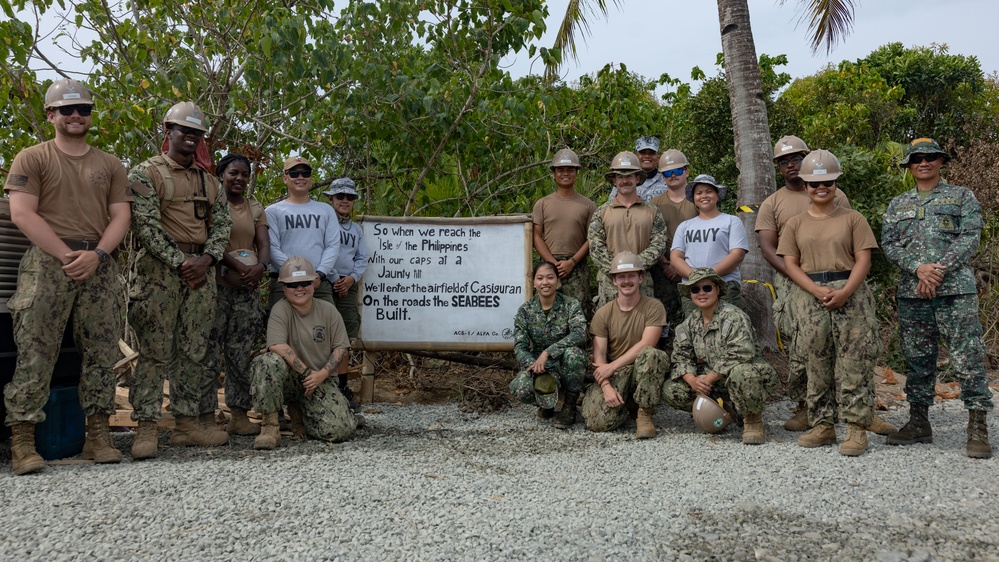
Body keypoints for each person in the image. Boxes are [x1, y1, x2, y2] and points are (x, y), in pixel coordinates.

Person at [2, 78, 132, 475]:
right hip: (47, 261)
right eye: (68, 110)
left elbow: (121, 216)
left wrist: (96, 255)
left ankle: (97, 435)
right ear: (51, 114)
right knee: (36, 350)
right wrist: (65, 255)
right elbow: (22, 213)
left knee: (100, 351)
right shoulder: (32, 158)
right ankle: (23, 440)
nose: (77, 116)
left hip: (98, 261)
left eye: (84, 110)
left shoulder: (109, 164)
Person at [755, 136, 895, 436]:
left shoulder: (840, 199)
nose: (790, 163)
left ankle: (861, 413)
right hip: (798, 281)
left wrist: (839, 288)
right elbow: (769, 248)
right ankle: (810, 410)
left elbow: (850, 242)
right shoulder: (773, 203)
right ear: (779, 167)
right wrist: (804, 281)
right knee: (803, 348)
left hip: (840, 281)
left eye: (796, 158)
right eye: (784, 160)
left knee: (855, 349)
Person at [128, 101, 232, 459]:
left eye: (196, 133)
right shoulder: (145, 174)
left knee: (193, 351)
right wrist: (179, 261)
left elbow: (222, 227)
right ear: (167, 131)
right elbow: (146, 224)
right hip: (160, 272)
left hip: (200, 273)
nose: (190, 138)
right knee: (155, 352)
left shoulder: (210, 181)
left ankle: (186, 426)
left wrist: (206, 259)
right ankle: (146, 428)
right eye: (183, 130)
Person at [882, 138, 992, 459]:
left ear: (941, 161)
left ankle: (977, 426)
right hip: (913, 292)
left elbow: (971, 237)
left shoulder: (961, 197)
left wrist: (937, 271)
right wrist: (918, 269)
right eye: (917, 158)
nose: (924, 162)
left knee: (967, 357)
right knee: (917, 360)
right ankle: (918, 421)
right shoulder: (897, 204)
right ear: (910, 165)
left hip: (955, 290)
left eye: (931, 157)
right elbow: (889, 245)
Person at [777, 149, 880, 457]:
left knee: (854, 361)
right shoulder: (795, 224)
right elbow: (791, 263)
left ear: (836, 183)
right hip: (810, 296)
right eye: (814, 184)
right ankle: (823, 424)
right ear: (805, 185)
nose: (821, 189)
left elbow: (864, 258)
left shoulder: (853, 219)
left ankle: (856, 427)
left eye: (828, 183)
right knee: (816, 361)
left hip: (851, 294)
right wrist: (814, 289)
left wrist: (846, 291)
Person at [249, 256, 358, 449]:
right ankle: (270, 426)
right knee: (266, 361)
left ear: (314, 283)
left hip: (320, 379)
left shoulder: (329, 310)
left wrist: (321, 374)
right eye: (293, 284)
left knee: (338, 431)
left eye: (304, 283)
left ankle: (303, 413)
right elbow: (277, 345)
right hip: (292, 379)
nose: (299, 289)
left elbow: (341, 348)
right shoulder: (280, 309)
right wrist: (308, 374)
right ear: (283, 288)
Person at [662, 268, 777, 444]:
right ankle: (726, 410)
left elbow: (741, 352)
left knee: (743, 372)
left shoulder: (734, 317)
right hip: (713, 382)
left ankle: (753, 421)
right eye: (695, 289)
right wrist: (693, 380)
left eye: (707, 288)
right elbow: (680, 357)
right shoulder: (689, 323)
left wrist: (708, 378)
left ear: (717, 289)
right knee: (672, 389)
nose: (701, 293)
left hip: (741, 375)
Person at [201, 153, 269, 436]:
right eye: (233, 173)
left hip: (246, 292)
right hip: (215, 289)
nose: (239, 178)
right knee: (209, 353)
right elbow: (207, 239)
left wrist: (260, 268)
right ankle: (203, 417)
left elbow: (264, 244)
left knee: (240, 354)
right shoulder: (211, 204)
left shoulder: (254, 207)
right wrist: (239, 266)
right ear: (221, 174)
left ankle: (239, 415)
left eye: (244, 174)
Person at [582, 252, 670, 438]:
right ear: (614, 280)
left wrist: (611, 366)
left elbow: (648, 343)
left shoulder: (654, 307)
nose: (626, 281)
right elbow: (599, 356)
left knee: (654, 355)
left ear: (640, 278)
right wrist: (605, 386)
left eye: (631, 276)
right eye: (621, 276)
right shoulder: (603, 313)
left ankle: (644, 414)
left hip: (641, 369)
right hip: (616, 374)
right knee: (597, 423)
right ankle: (626, 403)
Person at [510, 261, 587, 429]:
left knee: (575, 354)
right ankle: (546, 404)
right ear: (534, 282)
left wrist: (548, 352)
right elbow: (520, 346)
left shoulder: (570, 304)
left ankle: (569, 407)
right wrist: (533, 364)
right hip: (540, 365)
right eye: (540, 278)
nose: (545, 282)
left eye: (550, 277)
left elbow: (579, 333)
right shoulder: (525, 310)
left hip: (564, 362)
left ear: (558, 281)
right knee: (521, 389)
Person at [588, 151, 669, 309]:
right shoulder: (602, 212)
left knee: (642, 327)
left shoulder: (652, 212)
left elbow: (658, 244)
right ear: (614, 181)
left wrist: (635, 269)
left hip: (642, 281)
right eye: (620, 177)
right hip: (609, 282)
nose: (625, 181)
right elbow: (595, 246)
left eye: (629, 176)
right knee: (610, 329)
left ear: (637, 179)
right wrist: (615, 271)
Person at [265, 156, 340, 309]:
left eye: (305, 173)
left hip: (319, 283)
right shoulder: (272, 211)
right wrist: (295, 275)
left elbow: (332, 245)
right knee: (281, 331)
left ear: (311, 178)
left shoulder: (326, 210)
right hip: (284, 283)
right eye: (294, 173)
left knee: (326, 329)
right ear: (285, 178)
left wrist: (319, 274)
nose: (300, 177)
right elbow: (272, 248)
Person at [669, 174, 748, 315]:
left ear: (717, 195)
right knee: (696, 331)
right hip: (693, 289)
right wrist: (695, 277)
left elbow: (737, 254)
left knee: (732, 330)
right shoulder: (685, 226)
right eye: (699, 193)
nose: (704, 196)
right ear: (693, 198)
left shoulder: (731, 221)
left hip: (725, 286)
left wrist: (710, 276)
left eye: (709, 191)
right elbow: (675, 257)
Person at [532, 149, 597, 319]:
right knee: (547, 313)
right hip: (549, 266)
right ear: (553, 174)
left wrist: (572, 262)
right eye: (560, 170)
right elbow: (536, 236)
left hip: (577, 266)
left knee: (578, 314)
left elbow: (593, 238)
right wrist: (553, 263)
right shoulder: (542, 204)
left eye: (570, 169)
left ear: (577, 173)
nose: (565, 174)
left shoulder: (588, 205)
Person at [323, 177, 368, 415]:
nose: (344, 201)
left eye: (349, 197)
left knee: (345, 336)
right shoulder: (323, 222)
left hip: (347, 286)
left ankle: (341, 386)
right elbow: (320, 251)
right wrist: (333, 279)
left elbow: (362, 258)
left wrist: (351, 279)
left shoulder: (356, 230)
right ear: (330, 199)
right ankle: (322, 383)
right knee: (322, 335)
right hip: (324, 282)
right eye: (340, 196)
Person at [649, 149, 698, 334]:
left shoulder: (699, 201)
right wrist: (665, 264)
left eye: (677, 171)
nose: (672, 176)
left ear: (686, 171)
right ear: (662, 176)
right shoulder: (653, 205)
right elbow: (651, 237)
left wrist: (684, 268)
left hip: (694, 268)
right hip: (664, 270)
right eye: (667, 173)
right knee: (662, 317)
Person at [608, 136, 668, 201]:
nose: (647, 156)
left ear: (658, 158)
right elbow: (612, 205)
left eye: (651, 153)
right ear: (636, 156)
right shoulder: (624, 181)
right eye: (643, 153)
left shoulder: (666, 181)